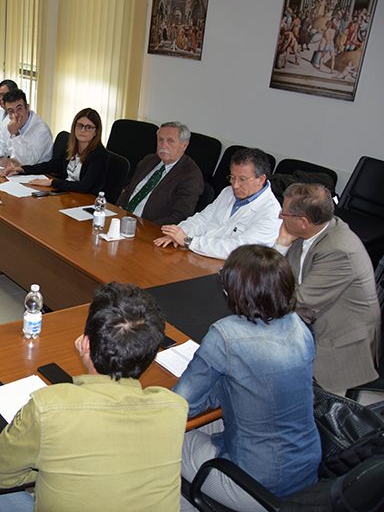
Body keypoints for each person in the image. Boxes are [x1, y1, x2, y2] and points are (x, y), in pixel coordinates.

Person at [0, 283, 188, 512]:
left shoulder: (49, 408)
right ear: (150, 356)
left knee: (0, 500)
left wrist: (50, 467)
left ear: (84, 344)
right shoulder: (175, 409)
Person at [173, 245, 321, 510]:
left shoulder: (226, 335)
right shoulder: (300, 327)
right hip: (305, 469)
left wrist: (208, 390)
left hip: (253, 483)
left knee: (158, 439)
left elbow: (181, 405)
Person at [275, 183, 380, 393]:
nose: (280, 217)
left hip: (339, 340)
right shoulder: (308, 233)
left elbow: (298, 299)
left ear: (304, 222)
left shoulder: (338, 250)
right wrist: (283, 243)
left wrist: (281, 246)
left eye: (284, 213)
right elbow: (277, 280)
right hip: (308, 320)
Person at [154, 147, 281, 259]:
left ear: (261, 179)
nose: (235, 185)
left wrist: (188, 241)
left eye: (242, 179)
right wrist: (178, 233)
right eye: (232, 177)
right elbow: (202, 219)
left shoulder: (271, 213)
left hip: (228, 269)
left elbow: (237, 250)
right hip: (199, 256)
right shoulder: (228, 192)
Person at [1, 108, 109, 197]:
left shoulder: (99, 155)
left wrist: (51, 182)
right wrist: (22, 169)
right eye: (80, 126)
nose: (83, 130)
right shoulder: (70, 147)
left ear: (96, 132)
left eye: (89, 127)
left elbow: (84, 186)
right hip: (67, 194)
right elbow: (51, 165)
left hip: (86, 199)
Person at [116, 121, 204, 225]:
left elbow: (180, 217)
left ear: (184, 145)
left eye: (170, 141)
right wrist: (118, 211)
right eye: (161, 140)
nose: (163, 146)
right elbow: (130, 189)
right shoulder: (149, 160)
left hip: (148, 227)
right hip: (122, 219)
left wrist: (145, 228)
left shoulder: (191, 175)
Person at [0, 89, 53, 167]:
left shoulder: (41, 130)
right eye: (11, 111)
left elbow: (27, 162)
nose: (16, 114)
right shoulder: (10, 121)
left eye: (19, 109)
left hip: (35, 172)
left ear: (27, 108)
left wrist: (15, 134)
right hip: (13, 167)